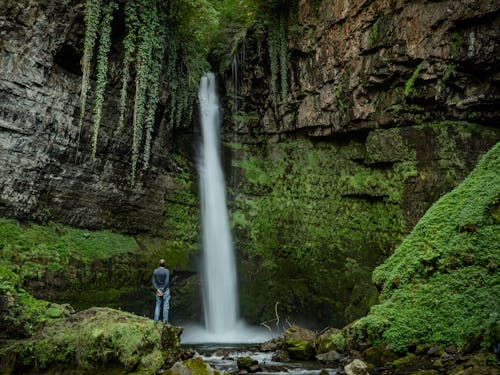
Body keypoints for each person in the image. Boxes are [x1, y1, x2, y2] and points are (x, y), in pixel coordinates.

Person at [152, 259, 170, 324]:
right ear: (164, 264)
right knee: (165, 305)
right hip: (165, 290)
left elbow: (153, 282)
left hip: (158, 290)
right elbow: (167, 281)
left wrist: (158, 290)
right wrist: (163, 290)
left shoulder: (155, 271)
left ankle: (155, 321)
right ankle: (165, 321)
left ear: (159, 264)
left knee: (158, 305)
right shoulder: (166, 271)